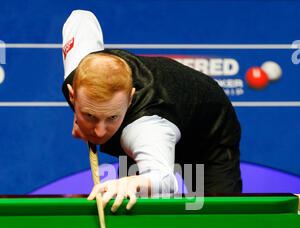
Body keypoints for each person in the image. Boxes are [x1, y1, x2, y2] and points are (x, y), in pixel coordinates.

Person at [62, 10, 242, 212]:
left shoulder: (145, 127)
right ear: (73, 95)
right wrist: (81, 117)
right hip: (161, 119)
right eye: (91, 115)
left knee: (215, 216)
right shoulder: (78, 70)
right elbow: (81, 17)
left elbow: (165, 181)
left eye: (112, 117)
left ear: (130, 99)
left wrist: (132, 181)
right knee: (132, 208)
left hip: (206, 137)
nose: (100, 132)